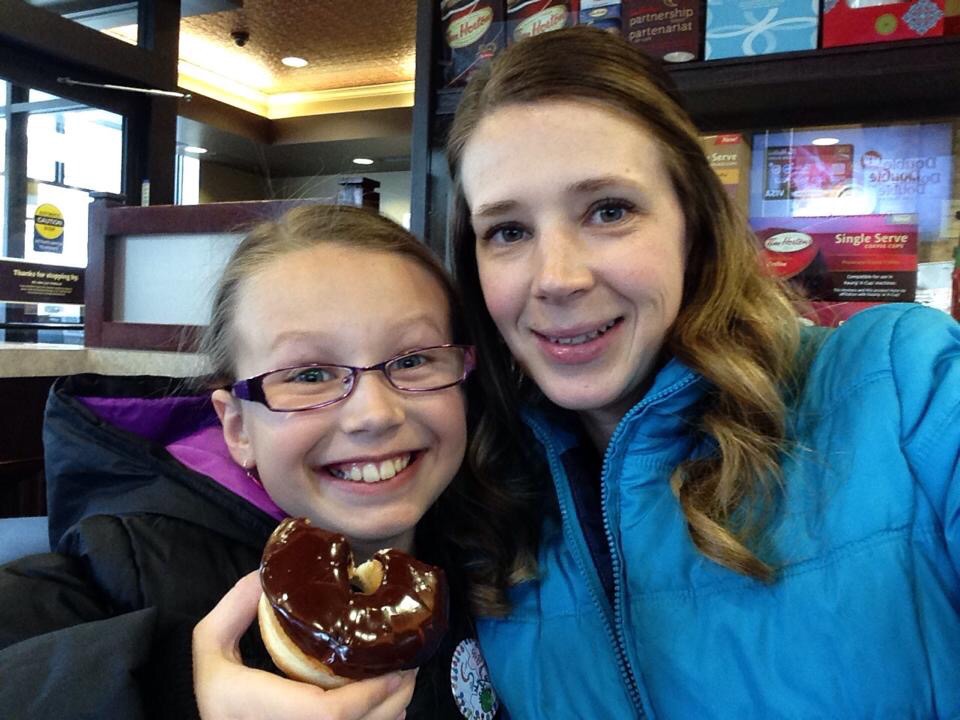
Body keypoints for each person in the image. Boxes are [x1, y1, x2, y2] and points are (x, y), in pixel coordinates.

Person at [444, 26, 960, 718]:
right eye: (508, 231)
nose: (557, 278)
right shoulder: (478, 491)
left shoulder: (908, 385)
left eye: (609, 211)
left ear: (693, 222)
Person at [0, 205, 484, 720]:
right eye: (309, 375)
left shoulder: (495, 547)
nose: (375, 414)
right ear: (237, 428)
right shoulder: (124, 567)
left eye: (412, 360)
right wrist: (177, 692)